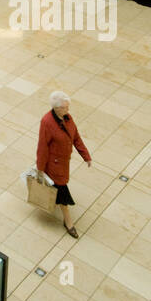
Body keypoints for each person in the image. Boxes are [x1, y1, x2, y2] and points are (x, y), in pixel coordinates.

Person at [36, 91, 91, 238]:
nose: (68, 110)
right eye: (65, 107)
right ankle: (68, 222)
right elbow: (43, 147)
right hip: (53, 166)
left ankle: (54, 203)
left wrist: (86, 156)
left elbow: (76, 137)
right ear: (57, 108)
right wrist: (40, 168)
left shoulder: (67, 118)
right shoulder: (47, 122)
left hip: (64, 163)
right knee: (62, 192)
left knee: (57, 189)